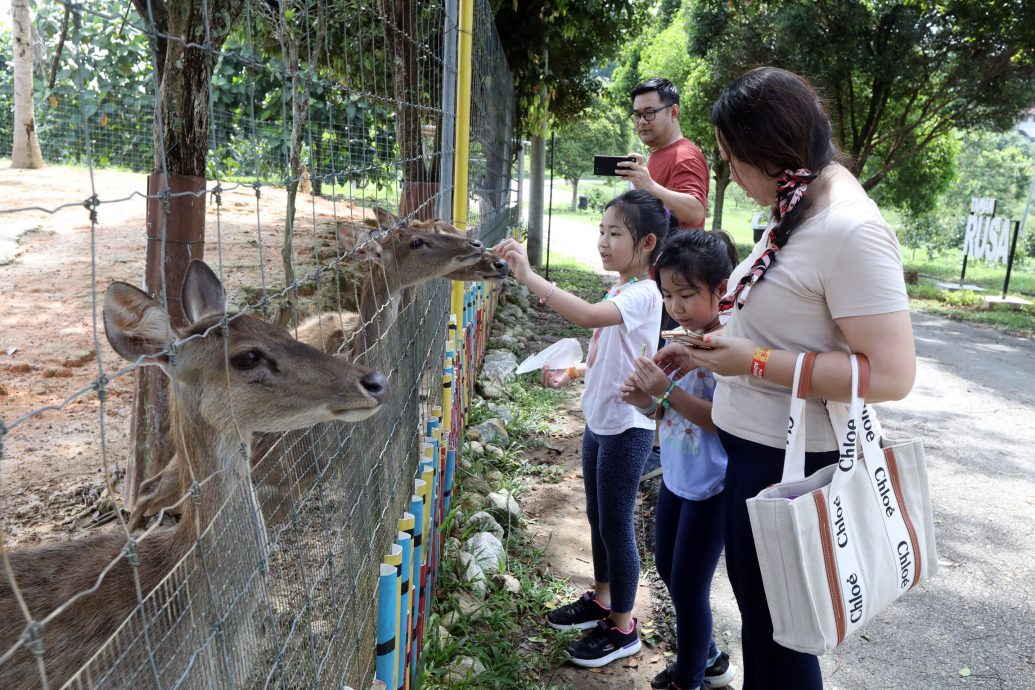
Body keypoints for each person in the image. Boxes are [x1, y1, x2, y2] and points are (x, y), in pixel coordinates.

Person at [654, 67, 916, 689]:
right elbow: (788, 326)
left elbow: (889, 374)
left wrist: (752, 363)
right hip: (753, 454)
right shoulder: (797, 209)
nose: (730, 176)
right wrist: (710, 350)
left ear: (768, 152)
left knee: (784, 637)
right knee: (765, 628)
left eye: (732, 160)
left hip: (789, 465)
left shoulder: (848, 228)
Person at [494, 189, 670, 668]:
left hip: (625, 429)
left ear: (648, 242)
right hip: (599, 420)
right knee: (597, 517)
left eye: (616, 234)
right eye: (601, 231)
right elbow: (609, 353)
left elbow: (590, 317)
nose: (603, 242)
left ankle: (624, 626)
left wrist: (529, 277)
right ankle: (602, 598)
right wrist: (574, 373)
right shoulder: (620, 287)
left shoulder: (643, 294)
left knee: (616, 525)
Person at [620, 230, 739, 690]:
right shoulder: (679, 338)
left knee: (689, 587)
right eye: (668, 295)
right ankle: (707, 658)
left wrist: (663, 391)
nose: (676, 306)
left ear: (722, 291)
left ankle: (688, 679)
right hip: (676, 476)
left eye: (687, 295)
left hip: (714, 485)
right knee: (669, 569)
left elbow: (721, 420)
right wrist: (645, 400)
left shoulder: (726, 349)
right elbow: (662, 409)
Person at [618, 77, 710, 229]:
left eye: (649, 112)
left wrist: (650, 187)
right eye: (637, 115)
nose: (641, 121)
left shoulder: (685, 156)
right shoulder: (660, 153)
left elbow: (695, 212)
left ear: (673, 112)